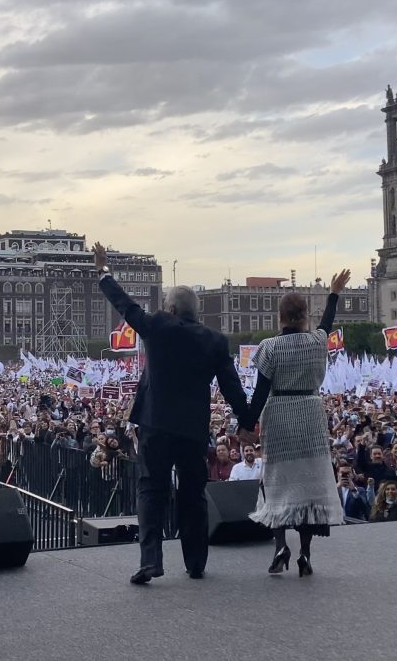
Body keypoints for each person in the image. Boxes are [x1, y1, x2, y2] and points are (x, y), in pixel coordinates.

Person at [94, 242, 249, 585]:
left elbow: (127, 307)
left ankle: (151, 561)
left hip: (156, 424)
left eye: (165, 305)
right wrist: (247, 421)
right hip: (192, 430)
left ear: (173, 309)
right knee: (192, 495)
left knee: (151, 490)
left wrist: (104, 273)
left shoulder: (159, 327)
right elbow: (232, 387)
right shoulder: (215, 341)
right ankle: (195, 562)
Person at [243, 269, 352, 578]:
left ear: (280, 317)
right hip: (310, 415)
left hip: (278, 413)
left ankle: (280, 546)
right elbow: (327, 325)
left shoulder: (269, 348)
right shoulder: (317, 342)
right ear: (305, 316)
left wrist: (247, 426)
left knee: (276, 483)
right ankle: (305, 553)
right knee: (309, 489)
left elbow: (259, 393)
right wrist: (333, 293)